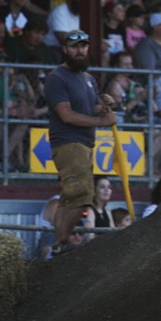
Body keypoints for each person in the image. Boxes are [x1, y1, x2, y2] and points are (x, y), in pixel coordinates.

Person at [43, 30, 116, 255]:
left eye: (83, 46)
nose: (80, 50)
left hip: (84, 142)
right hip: (68, 141)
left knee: (70, 196)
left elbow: (89, 107)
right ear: (65, 49)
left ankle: (58, 244)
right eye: (74, 46)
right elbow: (67, 115)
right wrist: (101, 120)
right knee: (82, 192)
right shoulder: (57, 77)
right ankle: (63, 242)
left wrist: (104, 105)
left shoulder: (88, 78)